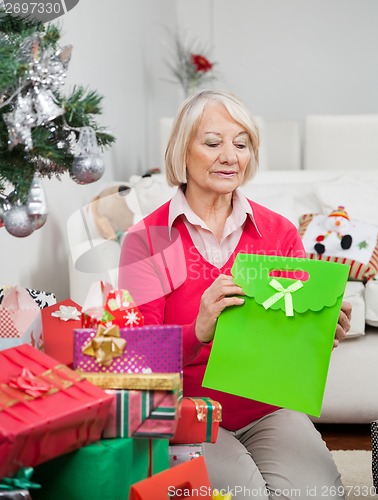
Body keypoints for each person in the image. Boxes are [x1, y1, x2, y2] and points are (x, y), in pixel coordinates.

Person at [119, 89, 352, 499]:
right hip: (189, 410)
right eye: (213, 143)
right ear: (182, 151)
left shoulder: (277, 231)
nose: (230, 156)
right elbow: (136, 363)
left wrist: (318, 335)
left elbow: (288, 347)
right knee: (245, 496)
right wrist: (198, 329)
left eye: (241, 144)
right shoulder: (148, 240)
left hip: (267, 408)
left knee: (317, 493)